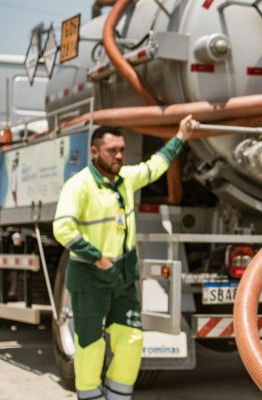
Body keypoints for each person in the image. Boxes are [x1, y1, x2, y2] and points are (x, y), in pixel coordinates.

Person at [53, 115, 198, 400]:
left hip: (122, 276)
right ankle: (90, 395)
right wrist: (97, 258)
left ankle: (118, 395)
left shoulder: (126, 179)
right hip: (90, 276)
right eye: (112, 151)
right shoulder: (79, 186)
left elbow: (155, 166)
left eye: (122, 150)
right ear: (94, 152)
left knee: (132, 339)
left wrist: (181, 136)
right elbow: (62, 228)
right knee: (91, 344)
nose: (119, 156)